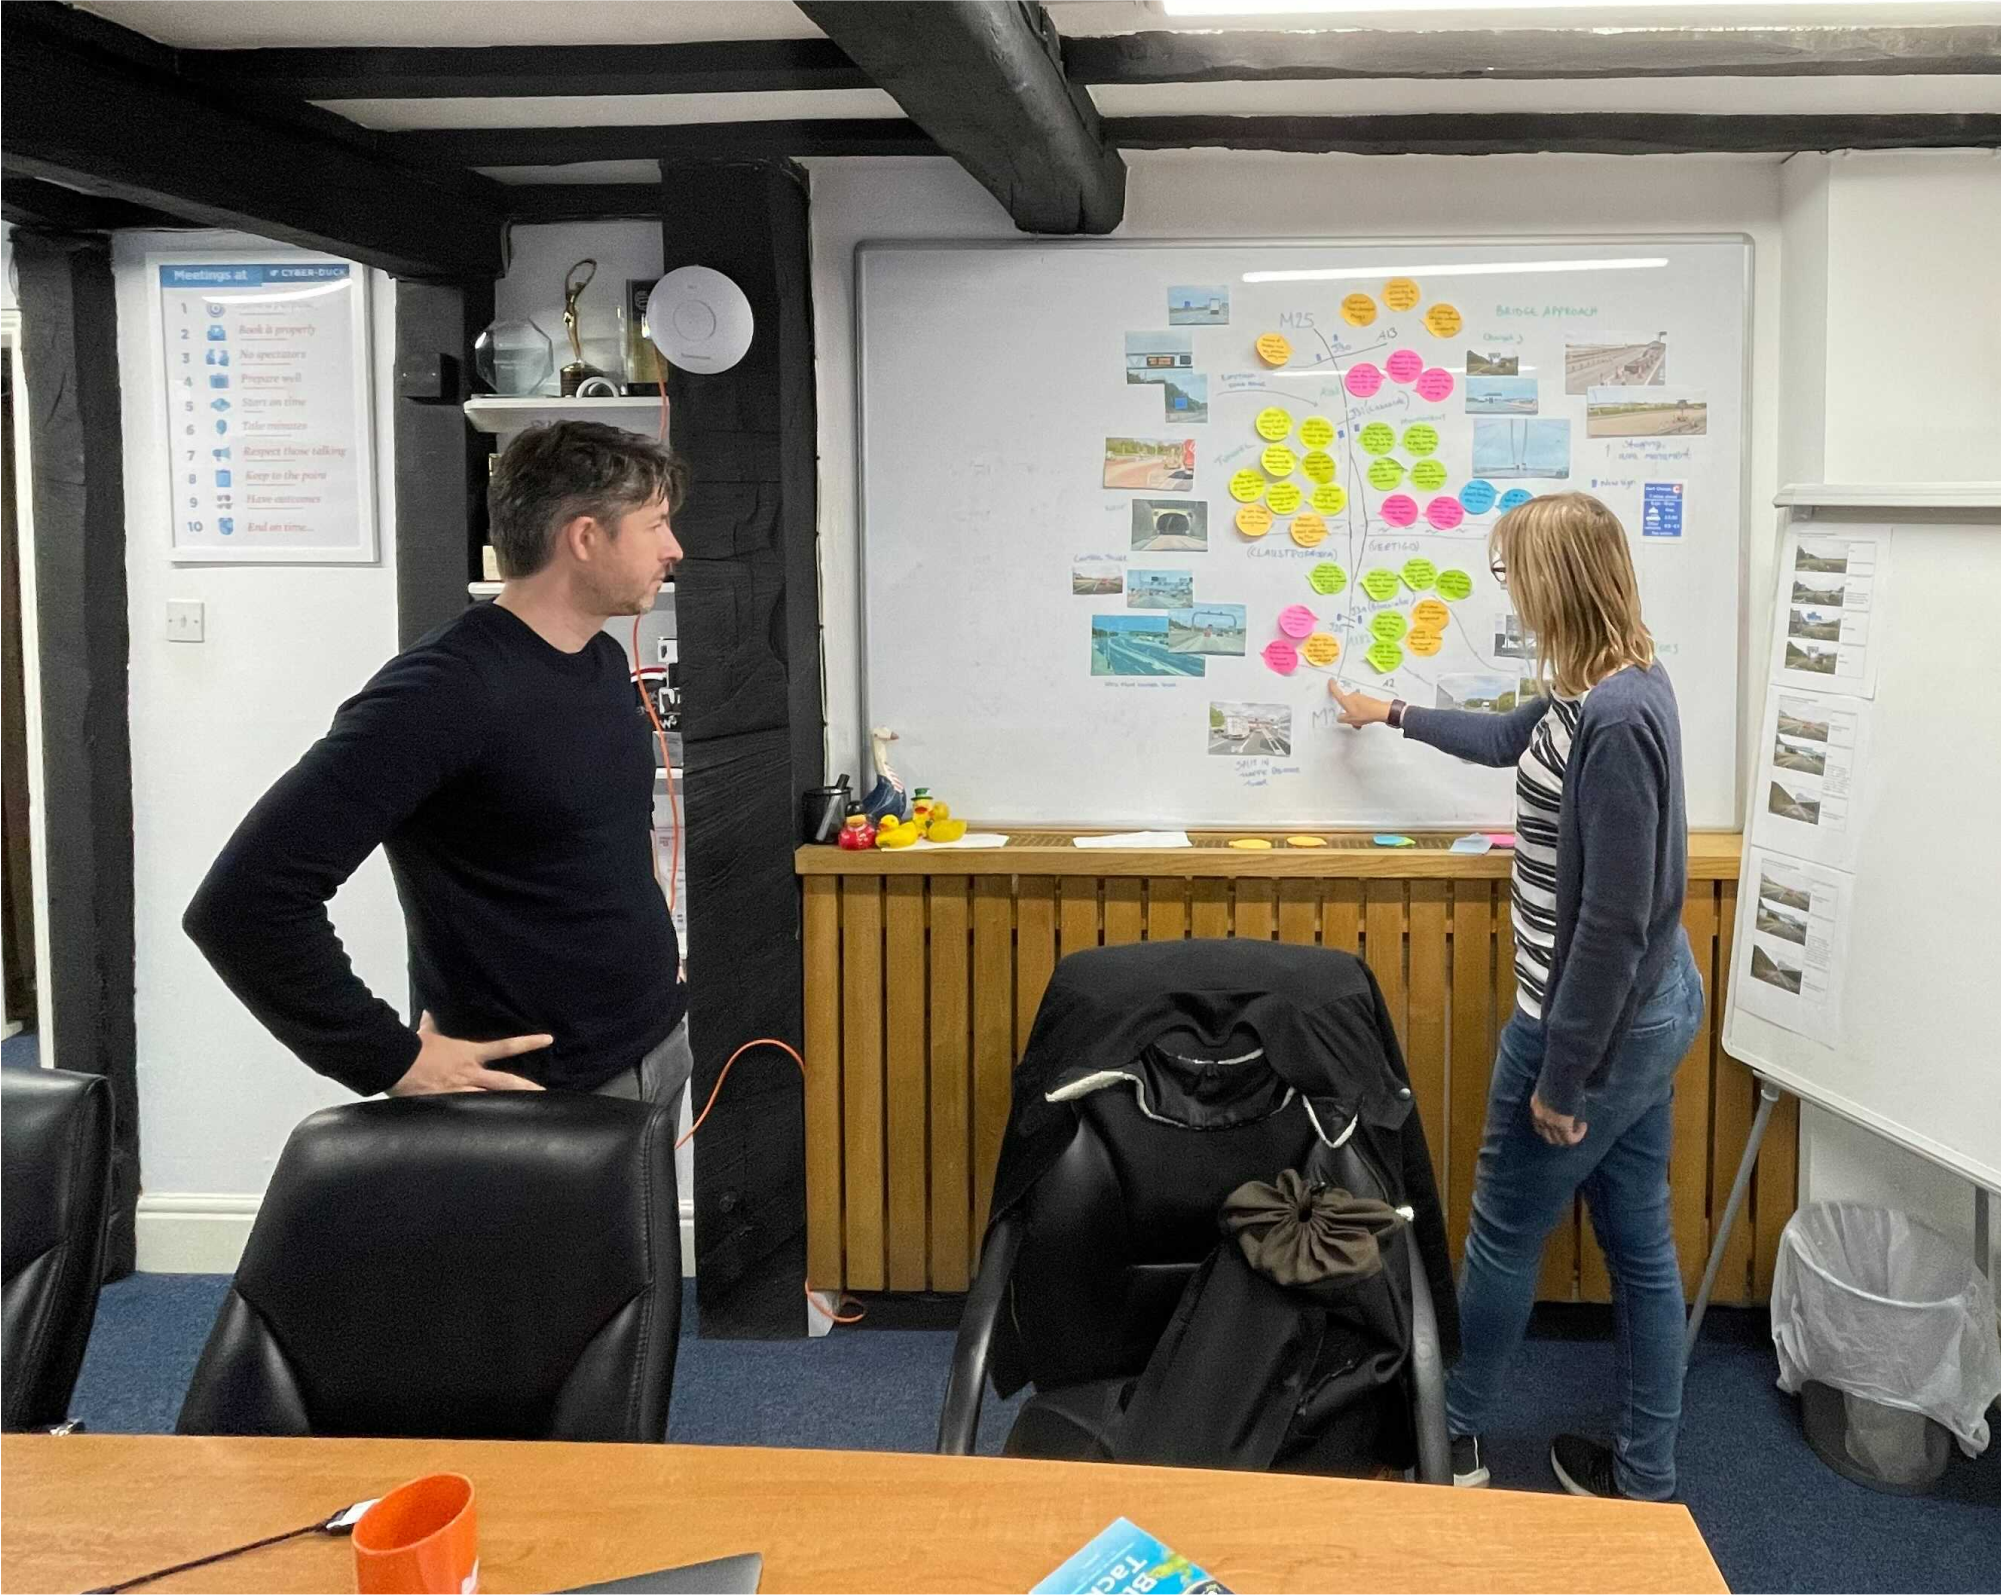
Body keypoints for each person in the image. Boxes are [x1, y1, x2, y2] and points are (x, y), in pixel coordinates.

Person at [1330, 491, 1702, 1502]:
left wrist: (1564, 1074)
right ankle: (1644, 1476)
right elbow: (1506, 740)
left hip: (1590, 1028)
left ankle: (1450, 1442)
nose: (1511, 592)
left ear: (1557, 581)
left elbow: (1617, 921)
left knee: (1502, 1231)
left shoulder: (1619, 717)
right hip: (1635, 1012)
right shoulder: (1600, 685)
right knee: (1638, 1237)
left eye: (1512, 572)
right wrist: (1390, 712)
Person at [186, 420, 690, 1112]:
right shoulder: (444, 690)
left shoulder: (599, 661)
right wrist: (391, 1057)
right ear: (584, 537)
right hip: (535, 1098)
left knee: (644, 1228)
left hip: (653, 1046)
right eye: (656, 525)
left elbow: (592, 847)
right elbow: (243, 903)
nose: (674, 549)